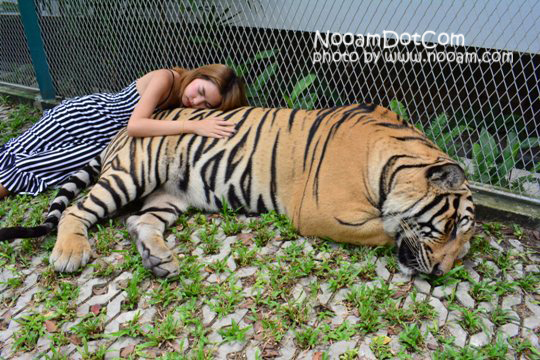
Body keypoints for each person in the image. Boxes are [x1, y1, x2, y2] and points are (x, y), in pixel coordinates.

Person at [0, 64, 248, 199]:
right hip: (82, 117)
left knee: (42, 167)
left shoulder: (183, 100)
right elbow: (135, 125)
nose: (195, 102)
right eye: (201, 92)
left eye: (206, 105)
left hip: (102, 141)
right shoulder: (167, 78)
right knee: (15, 153)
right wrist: (193, 125)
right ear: (199, 74)